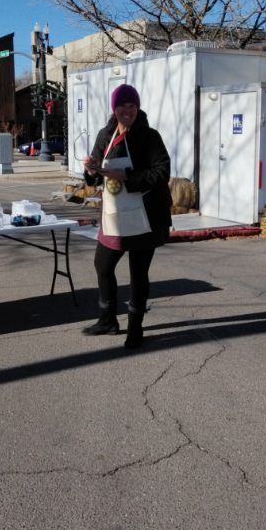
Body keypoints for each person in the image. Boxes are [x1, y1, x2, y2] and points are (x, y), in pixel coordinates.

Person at [82, 83, 172, 349]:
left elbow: (162, 172)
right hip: (114, 213)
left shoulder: (149, 136)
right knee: (103, 265)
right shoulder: (105, 135)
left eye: (132, 105)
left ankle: (135, 328)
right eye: (122, 105)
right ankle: (107, 320)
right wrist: (90, 169)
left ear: (137, 107)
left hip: (146, 215)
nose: (127, 110)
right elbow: (95, 174)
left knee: (138, 273)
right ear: (114, 108)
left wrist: (127, 176)